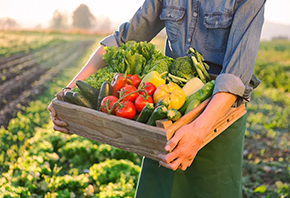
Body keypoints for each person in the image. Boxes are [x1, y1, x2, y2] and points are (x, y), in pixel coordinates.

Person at [48, 0, 266, 197]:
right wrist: (67, 92)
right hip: (167, 116)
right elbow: (122, 39)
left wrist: (199, 131)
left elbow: (236, 74)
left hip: (218, 115)